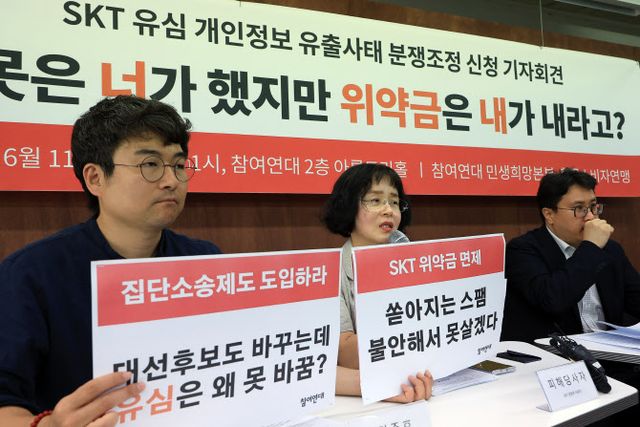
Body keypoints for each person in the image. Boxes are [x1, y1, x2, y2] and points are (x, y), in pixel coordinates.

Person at [0, 96, 222, 427]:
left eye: (178, 165)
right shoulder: (30, 275)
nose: (172, 181)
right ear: (95, 178)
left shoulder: (205, 262)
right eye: (150, 164)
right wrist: (48, 425)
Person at [323, 163, 433, 402]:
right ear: (349, 207)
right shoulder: (330, 273)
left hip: (426, 385)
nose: (388, 210)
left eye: (394, 202)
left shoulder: (416, 264)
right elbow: (345, 354)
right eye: (375, 200)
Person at [501, 168, 640, 343]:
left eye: (593, 206)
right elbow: (553, 300)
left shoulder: (610, 249)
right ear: (549, 215)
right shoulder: (522, 250)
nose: (590, 217)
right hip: (557, 353)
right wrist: (591, 248)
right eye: (579, 208)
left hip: (611, 351)